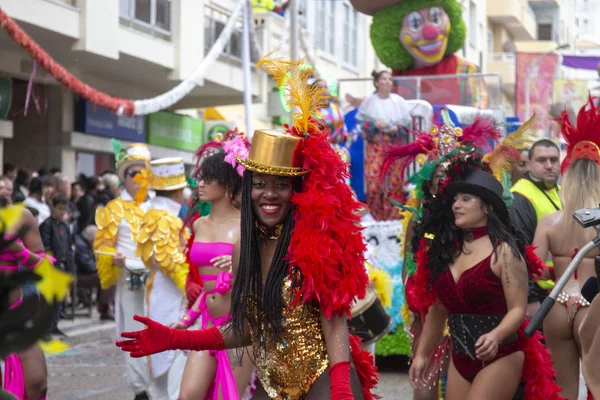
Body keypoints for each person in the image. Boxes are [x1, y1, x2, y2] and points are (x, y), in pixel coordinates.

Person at [117, 56, 379, 400]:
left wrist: (342, 384)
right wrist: (176, 338)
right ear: (248, 188)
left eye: (281, 185)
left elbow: (334, 318)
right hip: (272, 385)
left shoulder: (311, 240)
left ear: (294, 191)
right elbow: (246, 329)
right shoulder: (245, 246)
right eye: (261, 184)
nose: (269, 194)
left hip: (323, 379)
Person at [407, 153, 561, 400]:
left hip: (501, 355)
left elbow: (517, 310)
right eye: (455, 199)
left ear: (487, 207)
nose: (456, 205)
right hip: (460, 357)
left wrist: (496, 335)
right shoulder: (446, 252)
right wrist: (423, 354)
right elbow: (437, 309)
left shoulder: (505, 252)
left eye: (466, 199)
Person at [379, 109, 502, 399]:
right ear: (430, 181)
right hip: (429, 305)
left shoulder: (468, 215)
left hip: (468, 311)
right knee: (425, 382)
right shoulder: (421, 216)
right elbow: (409, 263)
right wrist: (416, 296)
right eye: (438, 175)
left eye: (448, 175)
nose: (442, 181)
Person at [177, 133, 255, 399]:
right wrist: (186, 320)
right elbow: (209, 285)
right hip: (208, 325)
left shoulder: (247, 226)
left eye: (208, 179)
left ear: (228, 183)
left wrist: (239, 272)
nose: (200, 184)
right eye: (200, 178)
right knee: (187, 396)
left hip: (240, 327)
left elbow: (265, 276)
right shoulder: (199, 224)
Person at [532, 100, 600, 399]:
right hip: (594, 305)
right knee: (597, 386)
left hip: (556, 304)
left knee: (563, 391)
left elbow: (532, 266)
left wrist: (554, 268)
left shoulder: (550, 221)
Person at [93, 142, 152, 400]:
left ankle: (159, 386)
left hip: (159, 280)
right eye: (132, 173)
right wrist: (112, 259)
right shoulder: (113, 209)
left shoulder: (160, 205)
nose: (138, 178)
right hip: (130, 279)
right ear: (124, 178)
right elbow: (103, 246)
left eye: (143, 172)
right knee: (134, 330)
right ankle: (141, 389)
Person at [133, 157, 190, 400]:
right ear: (178, 191)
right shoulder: (161, 215)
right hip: (169, 292)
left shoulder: (162, 211)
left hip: (168, 291)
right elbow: (169, 262)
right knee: (172, 355)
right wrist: (192, 287)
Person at [510, 139, 562, 317]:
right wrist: (531, 299)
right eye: (542, 160)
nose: (549, 166)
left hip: (560, 289)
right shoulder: (521, 197)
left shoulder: (561, 192)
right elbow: (518, 251)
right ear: (529, 165)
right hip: (539, 294)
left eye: (554, 160)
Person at [356, 70, 411, 221]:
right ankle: (376, 219)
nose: (387, 81)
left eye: (390, 79)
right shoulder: (369, 102)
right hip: (375, 148)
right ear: (377, 82)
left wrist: (397, 129)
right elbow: (361, 128)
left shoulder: (399, 102)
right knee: (374, 185)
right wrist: (374, 125)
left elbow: (407, 129)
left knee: (393, 184)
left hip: (394, 148)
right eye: (384, 79)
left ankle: (392, 220)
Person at [74, 225, 114, 320]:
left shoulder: (84, 244)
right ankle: (104, 308)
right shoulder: (80, 246)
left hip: (83, 274)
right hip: (78, 276)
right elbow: (88, 266)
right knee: (106, 277)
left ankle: (105, 306)